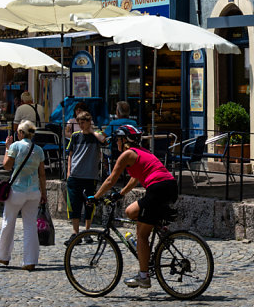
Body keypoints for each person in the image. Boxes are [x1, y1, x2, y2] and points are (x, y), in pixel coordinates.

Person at [91, 124, 178, 289]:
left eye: (118, 139)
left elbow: (111, 179)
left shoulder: (127, 154)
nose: (116, 142)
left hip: (157, 188)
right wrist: (121, 194)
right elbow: (135, 178)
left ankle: (144, 276)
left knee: (142, 235)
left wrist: (95, 197)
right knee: (131, 211)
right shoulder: (143, 152)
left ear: (125, 141)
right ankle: (160, 231)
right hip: (170, 186)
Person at [0, 119, 47, 270]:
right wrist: (44, 192)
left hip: (17, 190)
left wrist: (7, 148)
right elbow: (42, 174)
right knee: (30, 225)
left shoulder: (16, 146)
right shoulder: (39, 150)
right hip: (34, 190)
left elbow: (7, 165)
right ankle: (30, 260)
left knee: (8, 222)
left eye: (18, 131)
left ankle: (3, 256)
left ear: (22, 133)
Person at [65, 110, 106, 241]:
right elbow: (70, 154)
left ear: (89, 122)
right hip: (75, 175)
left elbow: (104, 140)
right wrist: (68, 171)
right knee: (74, 204)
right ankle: (75, 232)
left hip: (90, 176)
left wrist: (93, 131)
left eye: (83, 122)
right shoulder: (76, 136)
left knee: (89, 204)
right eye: (79, 123)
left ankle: (87, 231)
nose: (81, 125)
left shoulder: (96, 135)